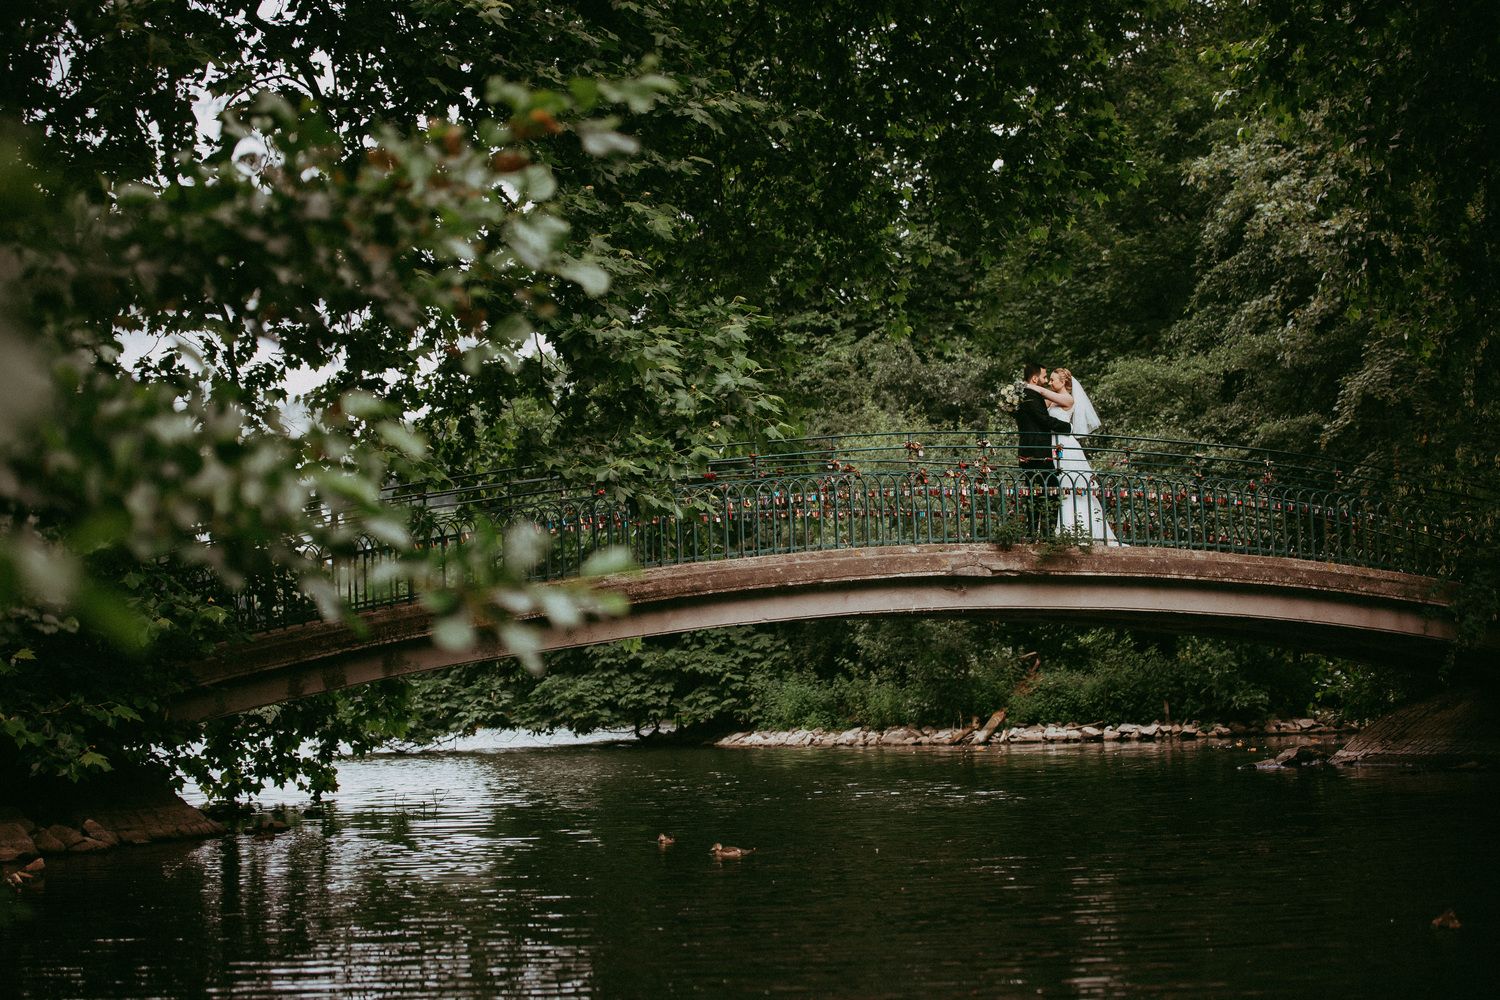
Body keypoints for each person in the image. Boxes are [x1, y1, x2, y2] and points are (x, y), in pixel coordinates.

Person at [1024, 367, 1122, 546]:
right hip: (1052, 445)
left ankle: (1077, 530)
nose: (1050, 383)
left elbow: (1043, 392)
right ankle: (1052, 530)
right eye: (1049, 379)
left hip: (1065, 445)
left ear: (1063, 382)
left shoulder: (1067, 399)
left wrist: (1028, 386)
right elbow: (1037, 408)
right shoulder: (1052, 401)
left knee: (1069, 484)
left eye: (1053, 380)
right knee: (1055, 486)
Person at [1011, 361, 1073, 537]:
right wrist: (1068, 427)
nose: (1046, 381)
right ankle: (1047, 533)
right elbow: (1043, 420)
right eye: (1045, 377)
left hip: (1027, 449)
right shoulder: (1031, 395)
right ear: (1034, 378)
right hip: (1038, 451)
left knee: (1034, 491)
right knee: (1051, 490)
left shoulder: (1020, 395)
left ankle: (1033, 532)